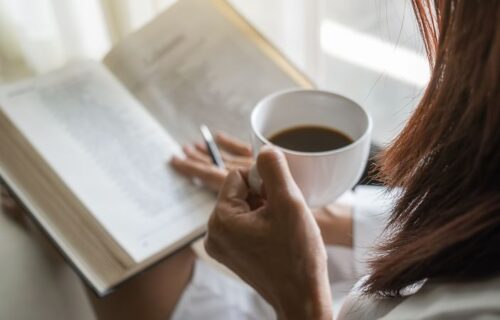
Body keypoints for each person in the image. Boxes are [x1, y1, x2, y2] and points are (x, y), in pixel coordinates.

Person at [2, 0, 499, 319]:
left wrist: (298, 293)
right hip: (369, 274)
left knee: (115, 241)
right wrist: (327, 218)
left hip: (313, 303)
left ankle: (48, 194)